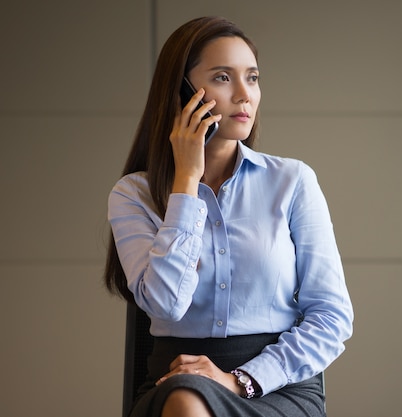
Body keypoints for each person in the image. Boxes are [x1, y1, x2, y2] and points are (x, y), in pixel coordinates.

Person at [103, 16, 353, 417]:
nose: (244, 95)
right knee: (186, 400)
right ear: (182, 90)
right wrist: (187, 181)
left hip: (277, 385)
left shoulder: (293, 182)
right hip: (177, 381)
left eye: (252, 78)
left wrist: (241, 378)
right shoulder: (133, 194)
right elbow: (165, 305)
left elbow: (333, 316)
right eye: (223, 77)